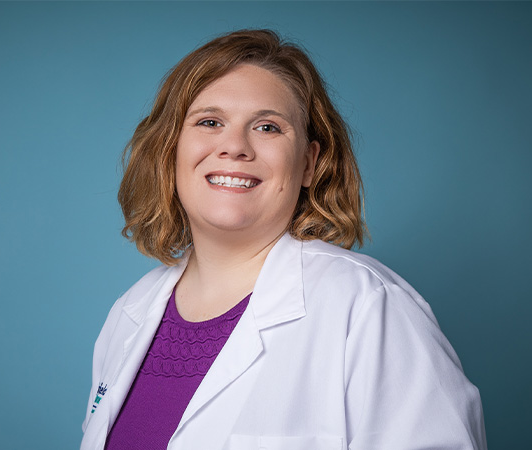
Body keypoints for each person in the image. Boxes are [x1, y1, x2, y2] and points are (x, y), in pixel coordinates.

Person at [81, 29, 486, 450]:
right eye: (209, 122)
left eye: (268, 127)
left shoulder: (367, 307)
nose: (235, 146)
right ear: (170, 152)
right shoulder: (129, 313)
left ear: (309, 164)